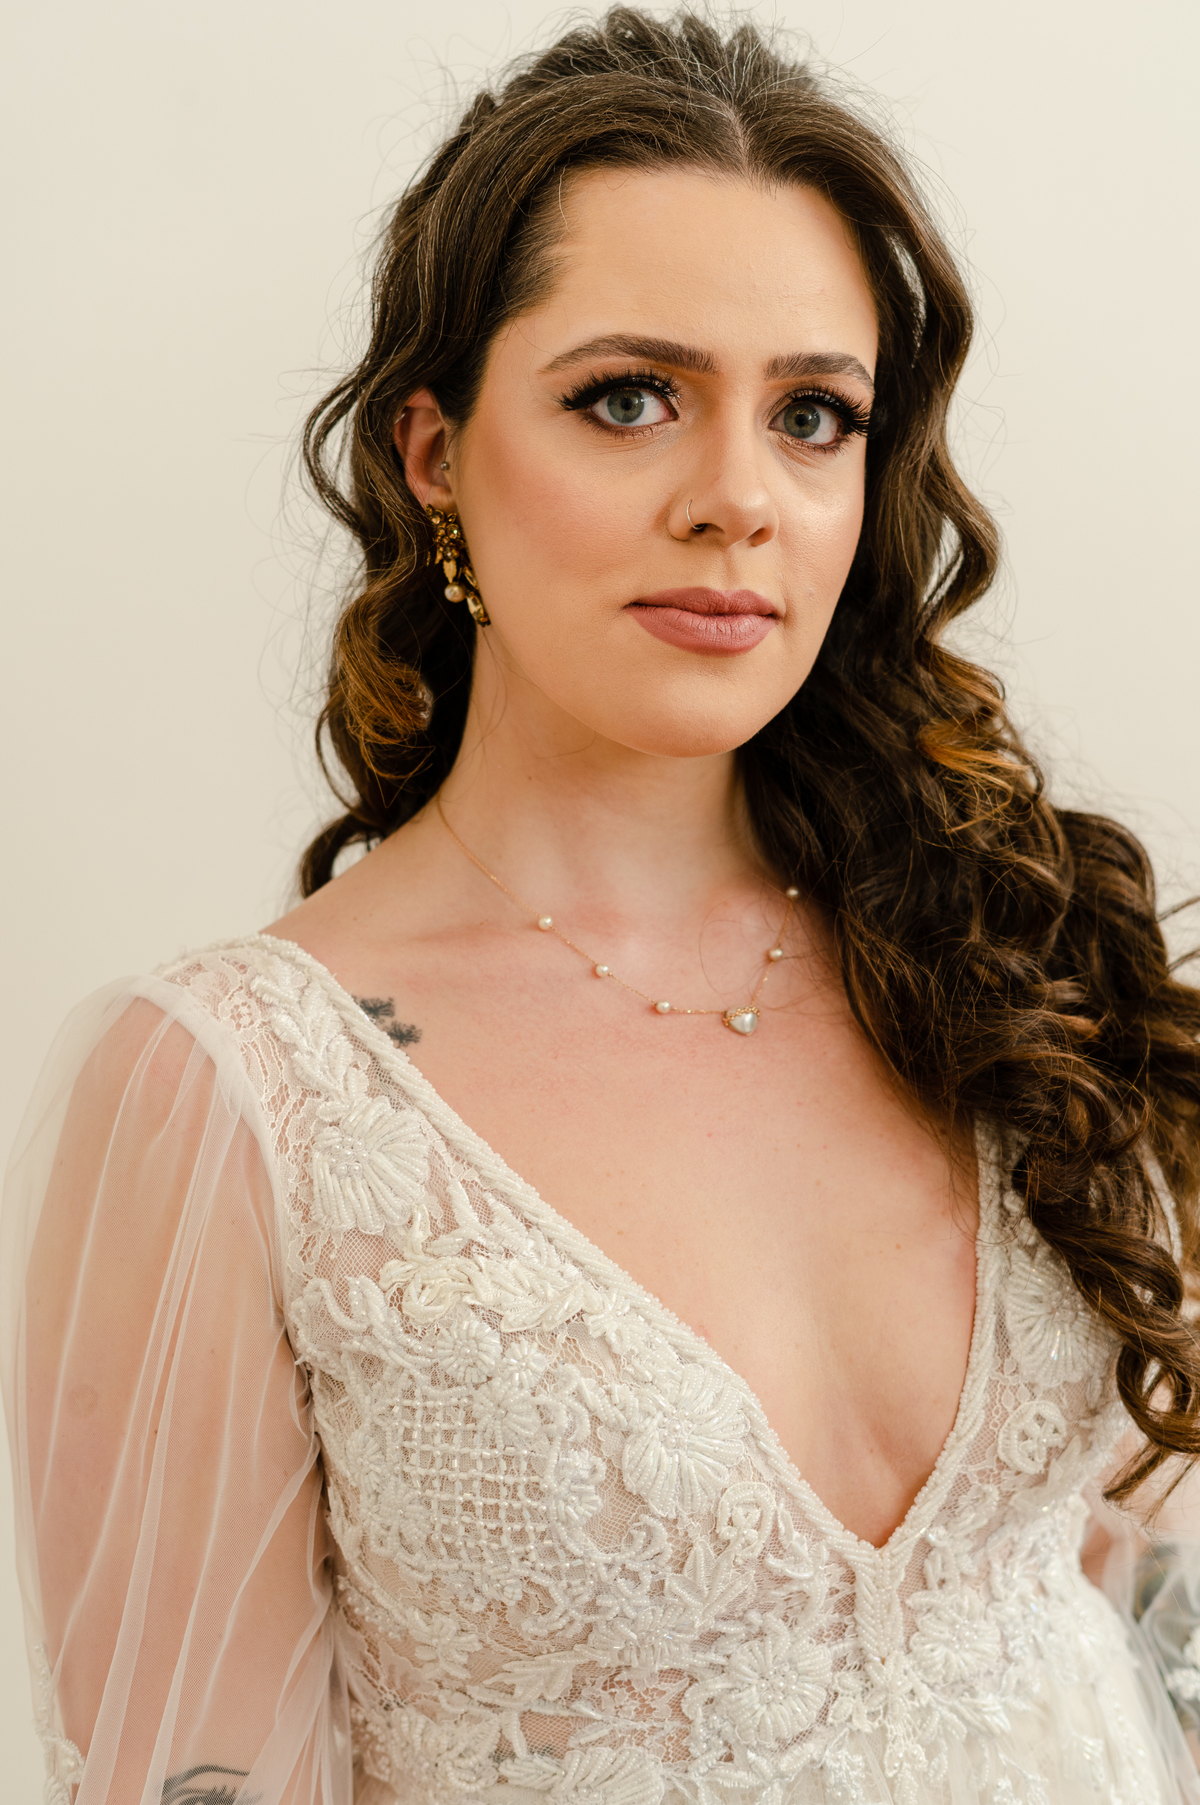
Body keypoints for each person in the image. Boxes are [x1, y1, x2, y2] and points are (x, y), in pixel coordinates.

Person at [6, 8, 1200, 1802]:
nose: (738, 500)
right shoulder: (242, 1093)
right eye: (629, 397)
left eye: (813, 416)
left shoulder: (995, 954)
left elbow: (1127, 1597)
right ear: (432, 450)